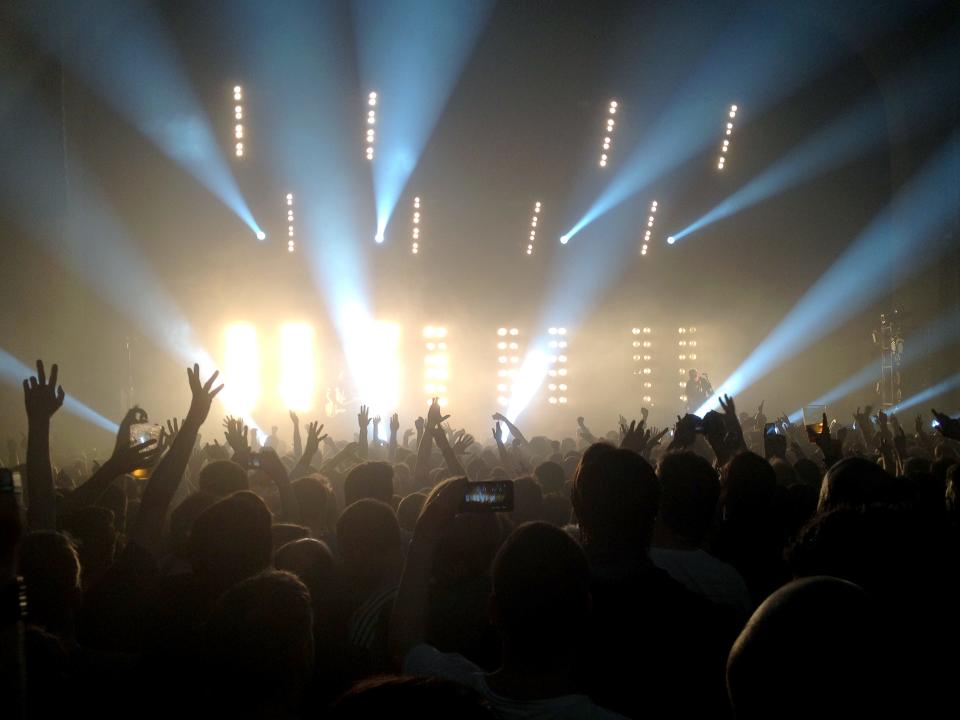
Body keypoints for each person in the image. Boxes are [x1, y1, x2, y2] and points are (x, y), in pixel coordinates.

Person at [393, 477, 627, 719]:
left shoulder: (452, 691)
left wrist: (425, 534)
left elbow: (405, 643)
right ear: (586, 609)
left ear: (492, 609)